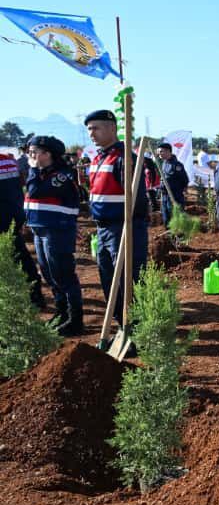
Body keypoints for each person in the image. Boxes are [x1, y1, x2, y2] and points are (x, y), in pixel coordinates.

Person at [86, 109, 150, 336]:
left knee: (127, 279)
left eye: (96, 128)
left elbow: (136, 199)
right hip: (103, 228)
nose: (91, 133)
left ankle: (137, 328)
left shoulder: (124, 157)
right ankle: (122, 325)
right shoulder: (98, 158)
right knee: (108, 278)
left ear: (112, 128)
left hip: (124, 226)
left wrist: (129, 224)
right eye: (89, 129)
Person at [24, 136, 83, 335]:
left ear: (47, 154)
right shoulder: (43, 173)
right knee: (49, 274)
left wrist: (33, 169)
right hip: (40, 229)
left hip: (57, 230)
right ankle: (62, 313)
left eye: (34, 152)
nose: (30, 155)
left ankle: (75, 319)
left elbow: (34, 192)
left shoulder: (62, 175)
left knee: (63, 274)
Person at [0, 147, 45, 308]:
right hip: (14, 214)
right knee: (20, 255)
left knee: (16, 256)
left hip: (4, 217)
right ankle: (35, 295)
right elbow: (19, 186)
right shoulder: (9, 161)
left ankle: (27, 297)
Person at [156, 142, 188, 225]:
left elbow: (184, 180)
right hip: (165, 196)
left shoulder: (177, 165)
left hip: (174, 196)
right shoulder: (164, 163)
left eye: (161, 151)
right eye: (159, 152)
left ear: (168, 151)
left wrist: (178, 191)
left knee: (175, 218)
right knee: (166, 218)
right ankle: (168, 232)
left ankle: (178, 233)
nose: (159, 154)